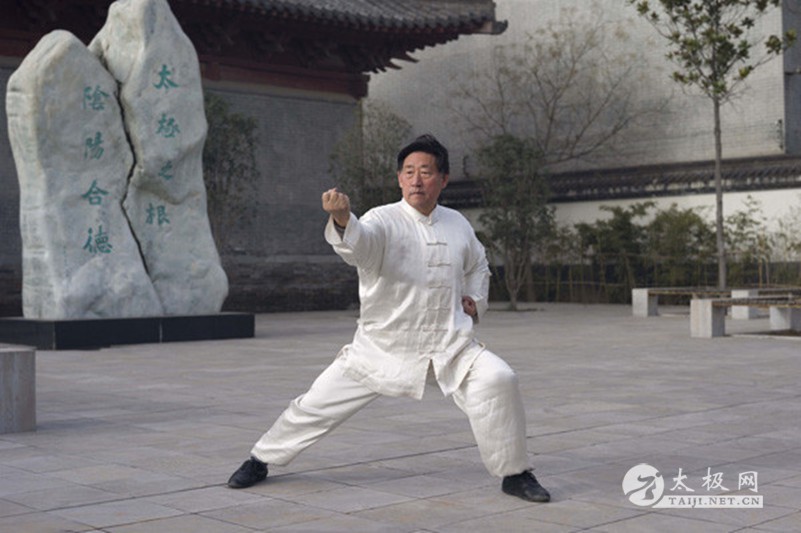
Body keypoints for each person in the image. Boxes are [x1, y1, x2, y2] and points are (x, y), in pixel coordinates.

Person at [227, 134, 550, 503]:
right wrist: (342, 218)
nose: (416, 180)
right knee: (314, 405)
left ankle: (515, 474)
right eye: (408, 172)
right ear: (399, 179)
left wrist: (475, 300)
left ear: (443, 179)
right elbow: (360, 246)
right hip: (382, 347)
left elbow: (478, 264)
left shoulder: (458, 223)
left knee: (498, 379)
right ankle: (260, 459)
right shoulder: (381, 219)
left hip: (451, 345)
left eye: (425, 172)